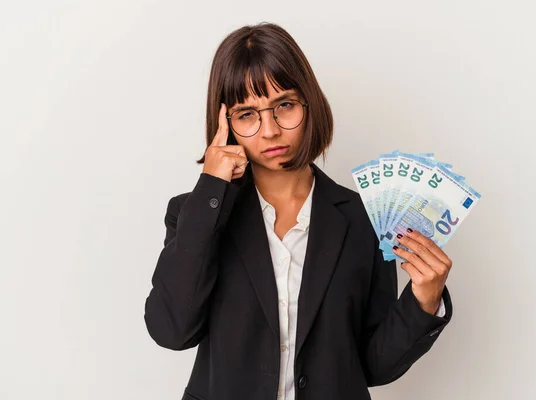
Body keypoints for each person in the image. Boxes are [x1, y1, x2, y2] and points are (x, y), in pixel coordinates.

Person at [144, 22, 453, 400]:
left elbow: (372, 365)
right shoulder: (195, 215)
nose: (270, 130)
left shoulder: (361, 218)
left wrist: (424, 301)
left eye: (284, 106)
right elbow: (172, 330)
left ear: (309, 103)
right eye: (247, 114)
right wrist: (211, 188)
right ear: (224, 124)